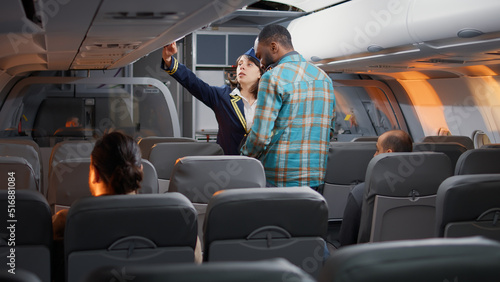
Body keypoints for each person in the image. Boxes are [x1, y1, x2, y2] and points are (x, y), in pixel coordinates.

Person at [241, 24, 336, 188]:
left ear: (273, 46)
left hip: (279, 177)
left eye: (260, 56)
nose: (261, 63)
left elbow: (260, 136)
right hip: (315, 177)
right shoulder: (324, 78)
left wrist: (244, 156)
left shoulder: (272, 77)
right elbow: (330, 130)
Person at [161, 42, 264, 155]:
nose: (242, 67)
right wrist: (168, 59)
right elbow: (194, 83)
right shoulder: (223, 96)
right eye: (240, 64)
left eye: (249, 64)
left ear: (260, 73)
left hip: (259, 166)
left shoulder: (267, 100)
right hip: (227, 164)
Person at [338, 130, 413, 246]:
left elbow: (346, 242)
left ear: (388, 152)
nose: (374, 155)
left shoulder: (361, 193)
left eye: (377, 150)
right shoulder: (426, 191)